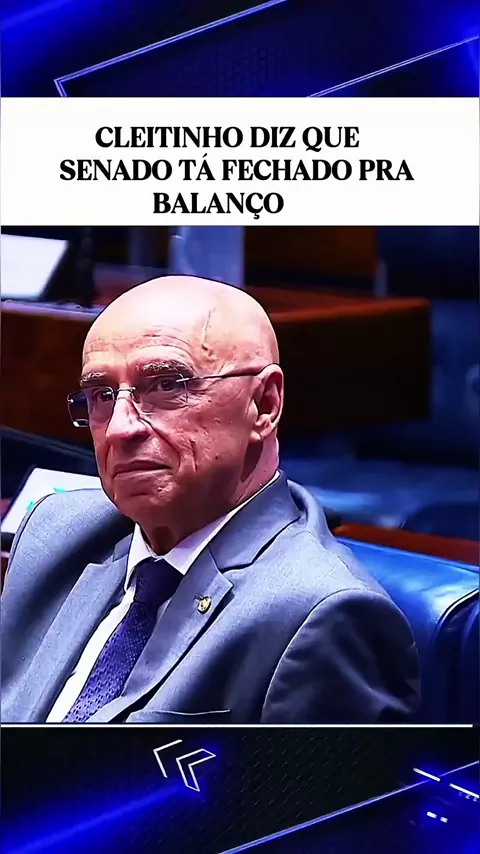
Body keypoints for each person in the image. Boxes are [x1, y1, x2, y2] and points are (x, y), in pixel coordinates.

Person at [1, 275, 420, 724]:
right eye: (103, 395)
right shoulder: (55, 530)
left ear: (263, 405)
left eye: (167, 385)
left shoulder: (322, 616)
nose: (121, 428)